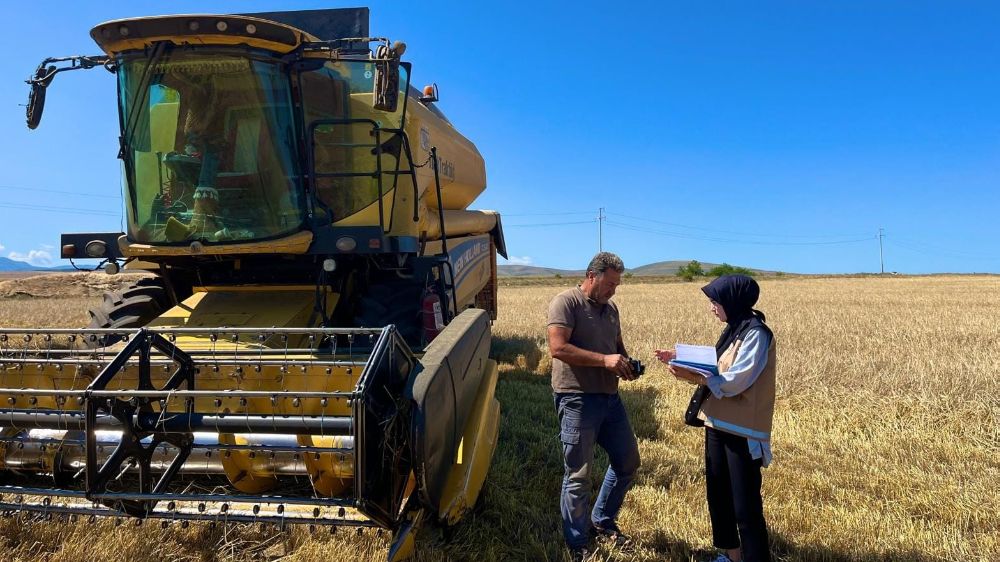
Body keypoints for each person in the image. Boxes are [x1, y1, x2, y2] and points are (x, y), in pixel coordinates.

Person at [655, 274, 776, 562]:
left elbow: (736, 380)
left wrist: (695, 377)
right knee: (719, 498)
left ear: (733, 301)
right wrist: (681, 358)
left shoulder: (756, 333)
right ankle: (732, 556)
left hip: (742, 431)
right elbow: (716, 366)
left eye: (715, 301)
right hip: (716, 424)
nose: (712, 307)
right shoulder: (735, 328)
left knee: (745, 505)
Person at [547, 252, 641, 561]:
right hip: (576, 398)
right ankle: (578, 544)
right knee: (578, 474)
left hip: (609, 399)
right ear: (592, 276)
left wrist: (627, 364)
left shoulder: (611, 309)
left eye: (617, 284)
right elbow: (558, 348)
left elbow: (617, 349)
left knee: (627, 462)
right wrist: (605, 361)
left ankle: (602, 520)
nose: (614, 290)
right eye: (610, 283)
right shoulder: (566, 302)